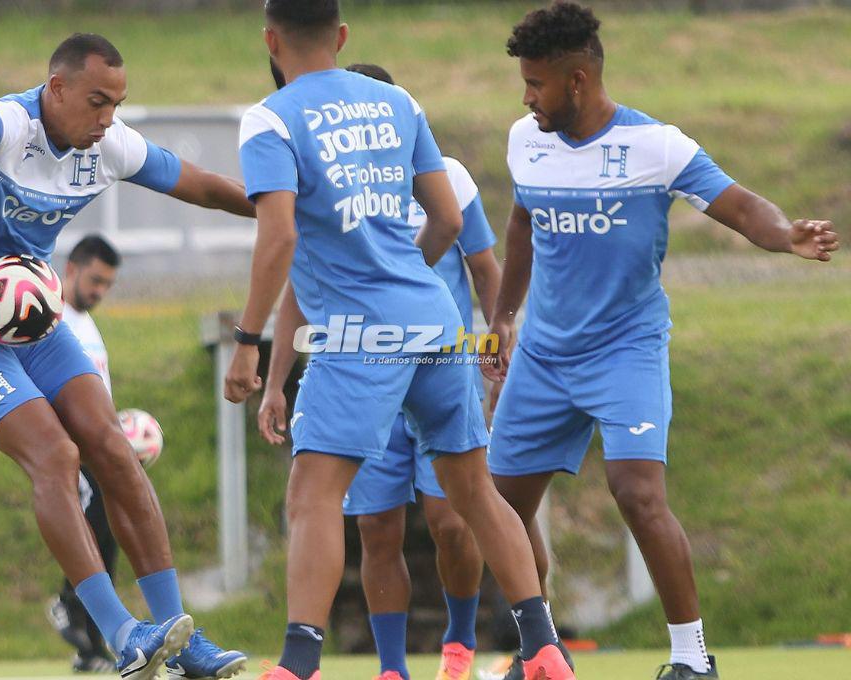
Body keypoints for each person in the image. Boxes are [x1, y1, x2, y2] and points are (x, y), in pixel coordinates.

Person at [484, 4, 840, 680]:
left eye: (537, 84)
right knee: (499, 508)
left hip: (626, 349)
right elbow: (522, 228)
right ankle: (541, 651)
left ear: (580, 80)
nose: (527, 97)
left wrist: (785, 234)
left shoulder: (656, 146)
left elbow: (737, 205)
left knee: (637, 493)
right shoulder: (524, 140)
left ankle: (691, 659)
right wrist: (503, 317)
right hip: (544, 354)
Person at [0, 33, 253, 680]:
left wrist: (282, 212)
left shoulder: (107, 146)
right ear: (57, 89)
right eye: (96, 101)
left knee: (109, 445)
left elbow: (201, 186)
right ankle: (120, 634)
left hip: (27, 321)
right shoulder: (11, 123)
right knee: (56, 456)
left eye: (117, 102)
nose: (109, 116)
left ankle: (177, 635)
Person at [226, 3, 575, 680]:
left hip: (360, 333)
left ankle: (298, 663)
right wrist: (406, 278)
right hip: (435, 320)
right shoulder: (397, 101)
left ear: (271, 42)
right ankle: (544, 649)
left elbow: (280, 237)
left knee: (313, 494)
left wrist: (249, 339)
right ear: (343, 36)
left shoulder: (269, 118)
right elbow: (446, 217)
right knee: (474, 490)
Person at [258, 61, 500, 680]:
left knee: (452, 517)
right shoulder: (335, 194)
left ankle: (460, 644)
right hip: (360, 364)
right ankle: (392, 668)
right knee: (375, 525)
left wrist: (496, 339)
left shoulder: (448, 181)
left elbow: (484, 266)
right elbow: (296, 295)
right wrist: (276, 380)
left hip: (430, 357)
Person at [46, 235, 247, 677]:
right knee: (95, 531)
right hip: (72, 450)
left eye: (107, 285)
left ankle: (124, 642)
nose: (100, 291)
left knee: (110, 534)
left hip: (99, 445)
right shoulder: (51, 317)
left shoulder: (85, 323)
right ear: (72, 268)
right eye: (95, 280)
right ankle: (74, 611)